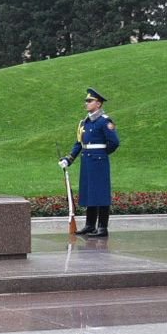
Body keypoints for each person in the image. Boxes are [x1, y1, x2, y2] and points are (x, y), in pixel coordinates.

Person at [60, 88, 120, 237]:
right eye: (86, 101)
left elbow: (114, 142)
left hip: (98, 161)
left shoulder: (104, 121)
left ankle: (102, 227)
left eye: (90, 101)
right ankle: (90, 225)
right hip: (87, 160)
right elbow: (79, 143)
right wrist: (69, 159)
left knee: (101, 192)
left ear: (98, 104)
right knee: (90, 192)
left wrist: (101, 154)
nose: (86, 103)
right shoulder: (84, 122)